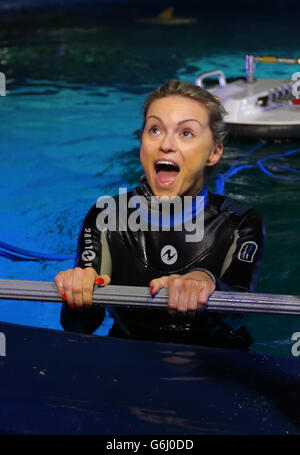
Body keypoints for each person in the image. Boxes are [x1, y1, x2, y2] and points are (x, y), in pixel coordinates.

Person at [55, 79, 265, 349]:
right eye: (155, 129)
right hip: (127, 354)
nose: (166, 144)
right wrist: (77, 293)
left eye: (186, 133)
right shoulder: (106, 215)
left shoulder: (240, 220)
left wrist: (207, 282)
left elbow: (239, 314)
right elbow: (79, 327)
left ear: (214, 152)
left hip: (219, 360)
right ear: (141, 143)